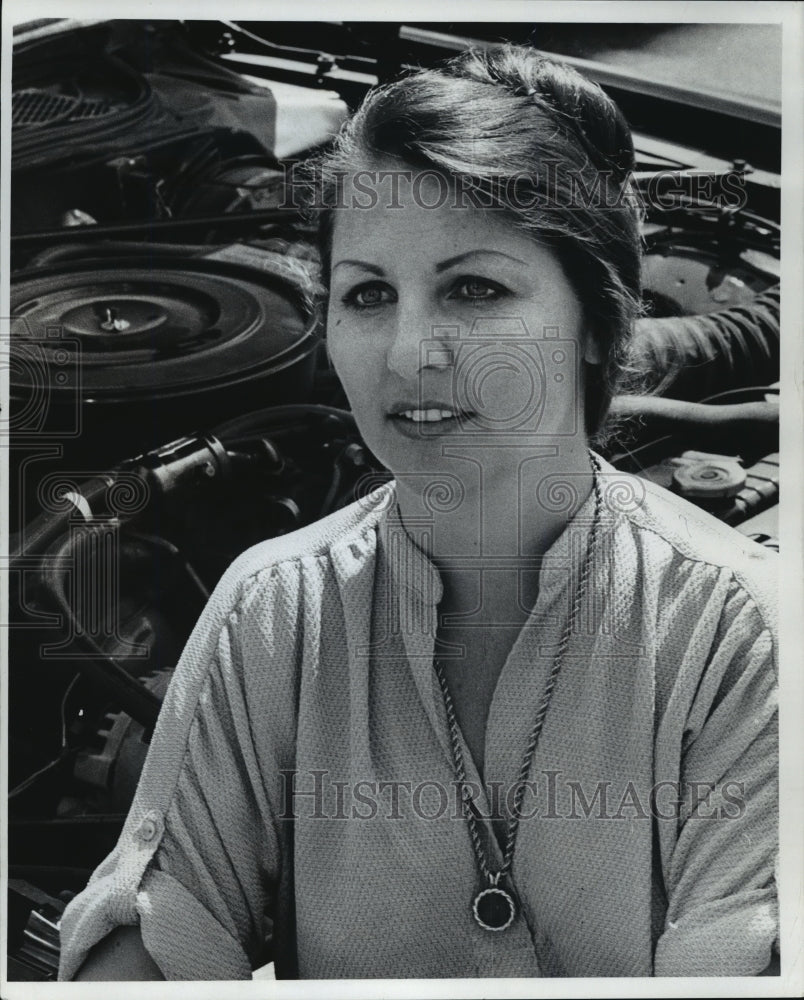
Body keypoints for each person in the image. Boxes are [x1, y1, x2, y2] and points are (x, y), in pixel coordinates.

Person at [57, 44, 778, 980]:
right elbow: (159, 922)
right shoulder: (273, 613)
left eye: (473, 288)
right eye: (368, 294)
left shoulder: (740, 635)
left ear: (598, 325)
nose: (408, 352)